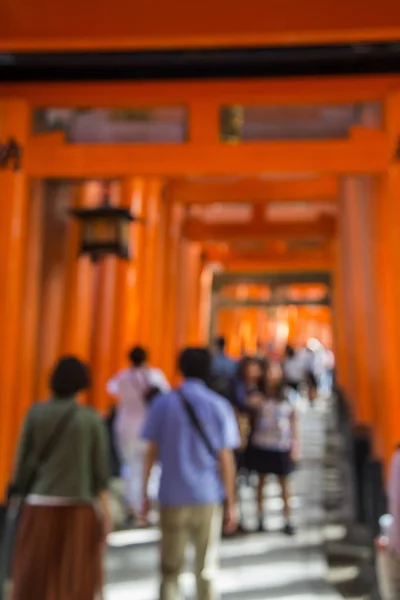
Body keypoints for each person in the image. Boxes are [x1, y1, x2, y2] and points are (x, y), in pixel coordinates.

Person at [141, 347, 239, 600]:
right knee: (206, 569)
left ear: (179, 368)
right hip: (207, 495)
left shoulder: (163, 404)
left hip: (171, 494)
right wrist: (231, 501)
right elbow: (226, 459)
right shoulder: (219, 406)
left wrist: (143, 494)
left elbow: (150, 452)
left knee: (170, 570)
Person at [10, 356, 111, 600]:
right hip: (80, 508)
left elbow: (21, 466)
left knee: (35, 579)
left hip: (40, 505)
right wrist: (107, 516)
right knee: (74, 581)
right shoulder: (91, 420)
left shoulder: (35, 414)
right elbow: (100, 475)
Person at [106, 346, 170, 522]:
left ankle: (133, 505)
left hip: (125, 426)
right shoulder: (154, 376)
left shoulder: (123, 376)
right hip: (149, 426)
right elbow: (166, 394)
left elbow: (110, 388)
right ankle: (148, 505)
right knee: (151, 466)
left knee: (130, 466)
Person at [245, 362, 300, 535]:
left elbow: (294, 421)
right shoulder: (256, 395)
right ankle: (260, 517)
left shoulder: (288, 395)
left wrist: (295, 444)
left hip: (281, 444)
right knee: (260, 482)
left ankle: (287, 519)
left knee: (284, 483)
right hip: (261, 442)